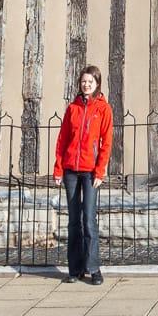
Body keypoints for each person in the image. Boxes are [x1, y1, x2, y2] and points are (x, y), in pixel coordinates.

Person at [52, 64, 113, 285]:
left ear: (97, 84)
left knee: (88, 220)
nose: (86, 85)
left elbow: (106, 143)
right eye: (83, 81)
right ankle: (75, 269)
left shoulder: (103, 109)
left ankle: (93, 268)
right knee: (73, 222)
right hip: (70, 171)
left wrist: (100, 171)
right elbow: (62, 140)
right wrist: (58, 169)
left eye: (90, 82)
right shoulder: (72, 108)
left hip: (90, 173)